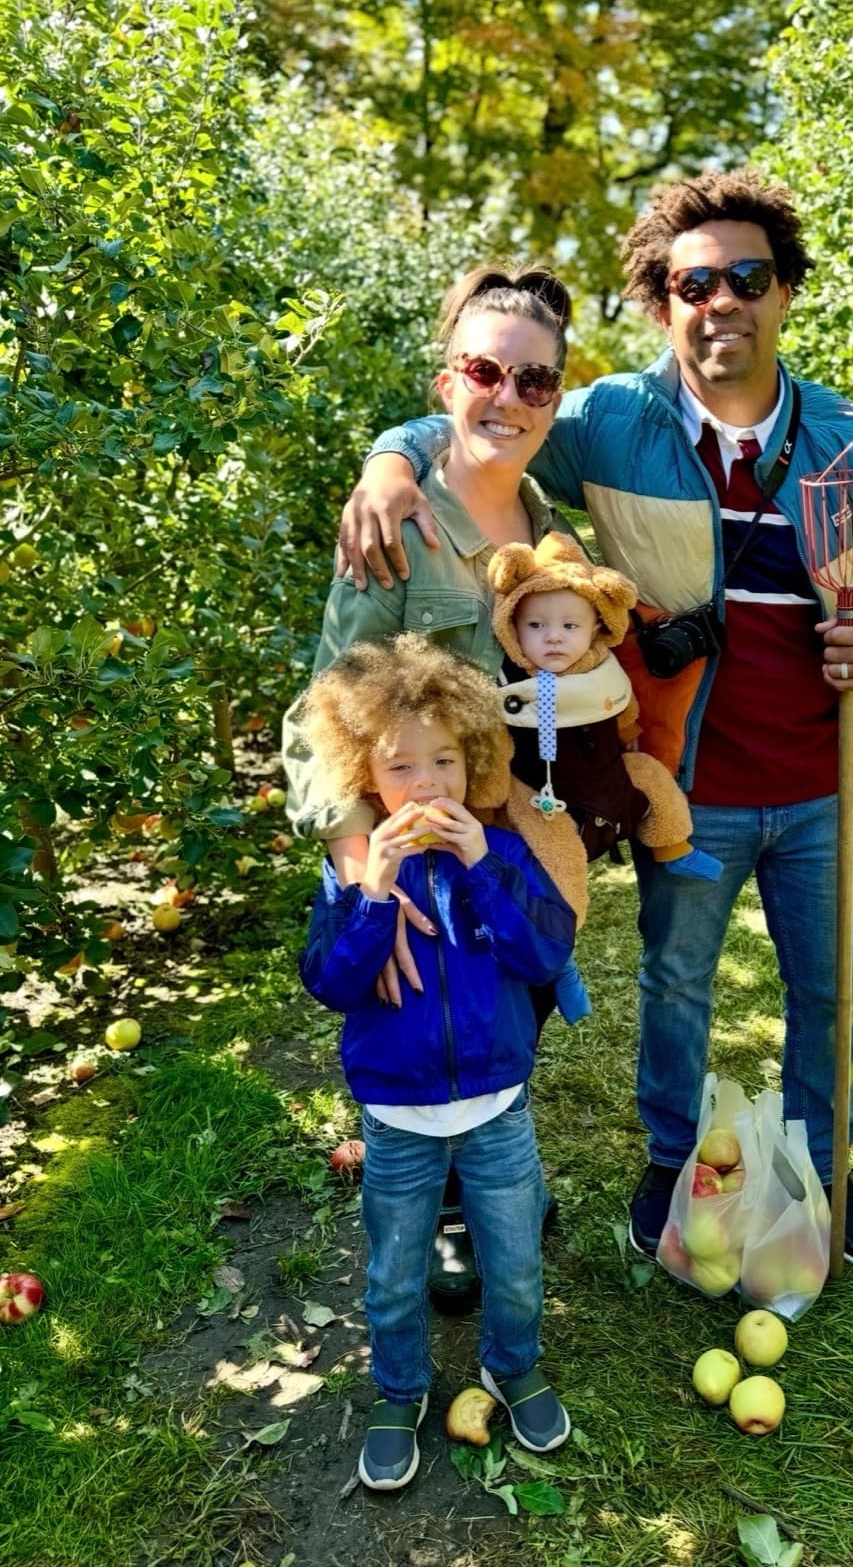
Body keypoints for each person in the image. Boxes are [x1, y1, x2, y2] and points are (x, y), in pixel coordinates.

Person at [336, 168, 853, 1267]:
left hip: (823, 779)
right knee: (673, 978)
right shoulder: (612, 422)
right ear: (662, 302)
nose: (721, 301)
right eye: (691, 282)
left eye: (746, 277)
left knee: (827, 984)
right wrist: (388, 459)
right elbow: (486, 417)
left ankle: (817, 1163)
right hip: (691, 779)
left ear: (784, 292)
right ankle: (670, 1157)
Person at [284, 265, 587, 1312]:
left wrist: (551, 782)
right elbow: (330, 706)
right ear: (444, 378)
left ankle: (496, 1169)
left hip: (502, 825)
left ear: (557, 393)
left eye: (534, 380)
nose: (507, 396)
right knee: (427, 1007)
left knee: (508, 996)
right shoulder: (400, 519)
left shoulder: (547, 513)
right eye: (482, 369)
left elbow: (546, 673)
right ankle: (453, 1211)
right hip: (414, 834)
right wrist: (367, 865)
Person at [298, 633, 575, 1489]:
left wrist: (485, 865)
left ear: (474, 759)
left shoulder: (499, 854)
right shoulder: (352, 880)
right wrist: (374, 896)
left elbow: (545, 951)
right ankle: (398, 1390)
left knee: (517, 1259)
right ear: (365, 780)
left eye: (446, 762)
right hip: (397, 1118)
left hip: (497, 1106)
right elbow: (333, 985)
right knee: (391, 1270)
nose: (427, 787)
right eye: (403, 769)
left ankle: (511, 1363)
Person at [488, 528, 722, 880]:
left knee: (651, 776)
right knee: (554, 849)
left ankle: (673, 846)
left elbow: (620, 705)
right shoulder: (510, 684)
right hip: (541, 790)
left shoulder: (602, 670)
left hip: (606, 773)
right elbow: (497, 741)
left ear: (595, 628)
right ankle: (563, 909)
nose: (553, 637)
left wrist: (629, 730)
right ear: (511, 627)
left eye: (570, 626)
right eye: (535, 625)